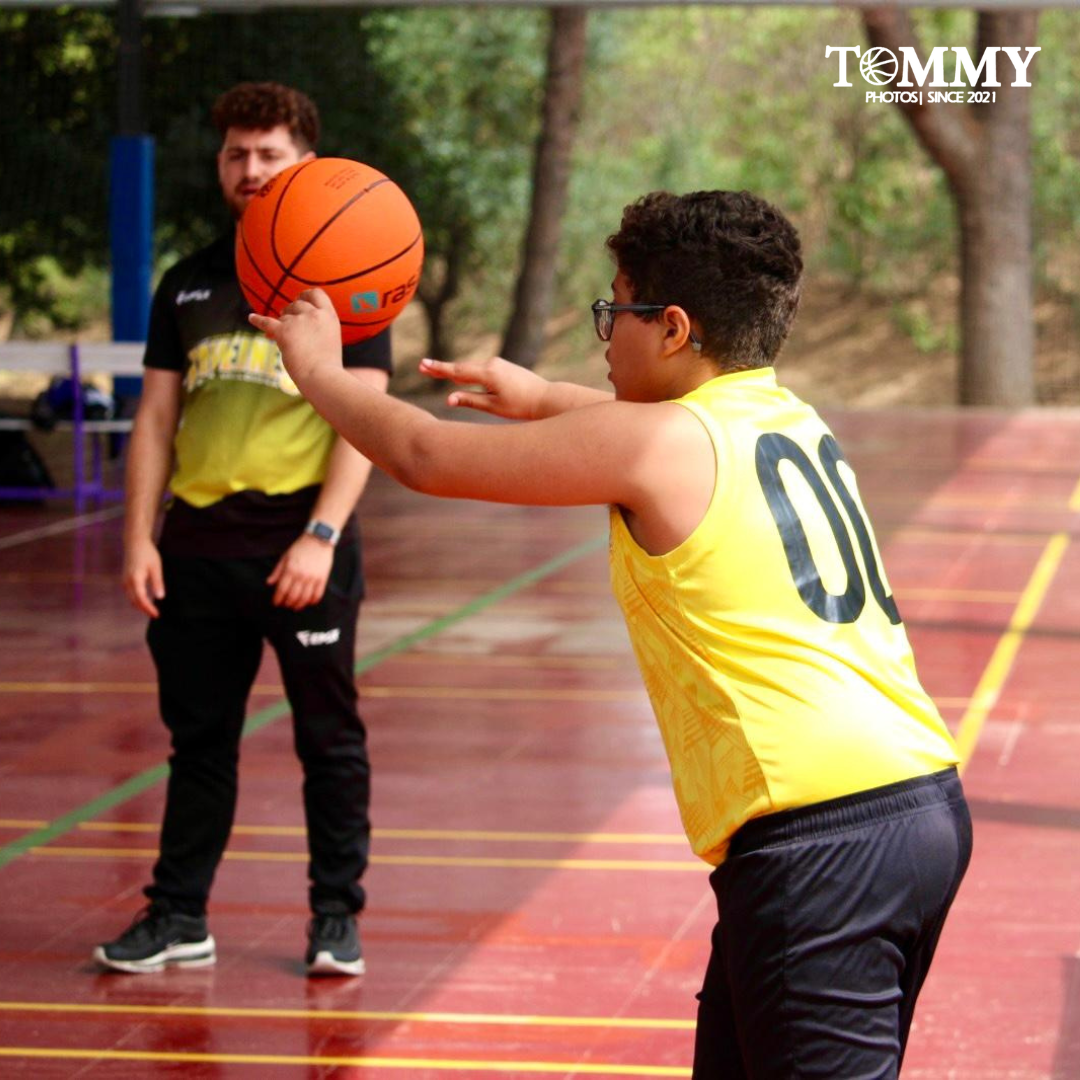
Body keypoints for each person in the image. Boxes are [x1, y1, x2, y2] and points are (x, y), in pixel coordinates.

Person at [252, 188, 972, 1075]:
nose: (604, 334)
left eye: (615, 310)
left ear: (672, 329)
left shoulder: (658, 446)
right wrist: (540, 397)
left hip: (820, 842)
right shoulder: (787, 419)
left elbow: (424, 455)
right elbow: (649, 433)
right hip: (916, 807)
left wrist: (320, 372)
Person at [94, 82, 391, 978]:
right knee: (198, 744)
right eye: (236, 153)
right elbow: (156, 418)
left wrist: (322, 536)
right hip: (196, 548)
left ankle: (335, 916)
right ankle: (179, 914)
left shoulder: (346, 279)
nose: (250, 168)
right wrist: (138, 538)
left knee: (328, 740)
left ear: (307, 164)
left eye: (269, 153)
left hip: (300, 545)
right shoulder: (186, 280)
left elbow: (365, 421)